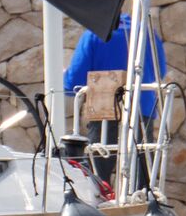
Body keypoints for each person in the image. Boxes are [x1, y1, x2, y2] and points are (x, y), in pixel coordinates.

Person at [63, 13, 165, 187]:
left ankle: (99, 197)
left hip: (103, 110)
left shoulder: (94, 35)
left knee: (98, 174)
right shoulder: (148, 34)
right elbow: (159, 71)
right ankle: (142, 197)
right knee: (142, 171)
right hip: (142, 109)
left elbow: (73, 83)